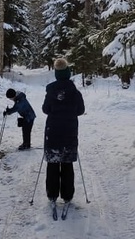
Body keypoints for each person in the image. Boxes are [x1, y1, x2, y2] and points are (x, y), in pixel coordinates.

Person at [42, 58, 85, 203]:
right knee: (67, 164)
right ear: (68, 73)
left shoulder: (51, 91)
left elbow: (45, 109)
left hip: (53, 132)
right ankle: (67, 195)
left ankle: (52, 194)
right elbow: (80, 110)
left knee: (53, 164)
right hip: (69, 132)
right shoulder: (75, 92)